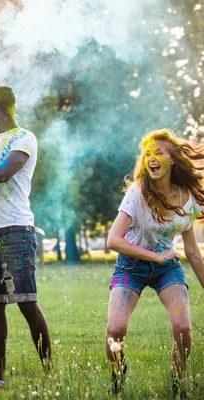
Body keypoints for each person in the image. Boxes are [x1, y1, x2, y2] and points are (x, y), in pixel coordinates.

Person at [106, 129, 204, 395]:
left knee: (183, 328)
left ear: (172, 159)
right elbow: (113, 240)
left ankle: (177, 382)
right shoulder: (136, 195)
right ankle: (118, 377)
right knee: (115, 330)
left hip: (168, 270)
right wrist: (155, 256)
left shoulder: (188, 198)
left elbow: (192, 250)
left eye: (158, 153)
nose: (151, 158)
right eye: (148, 154)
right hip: (130, 267)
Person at [0, 86, 51, 388]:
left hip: (19, 231)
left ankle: (49, 371)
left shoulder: (24, 138)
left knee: (26, 303)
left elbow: (2, 172)